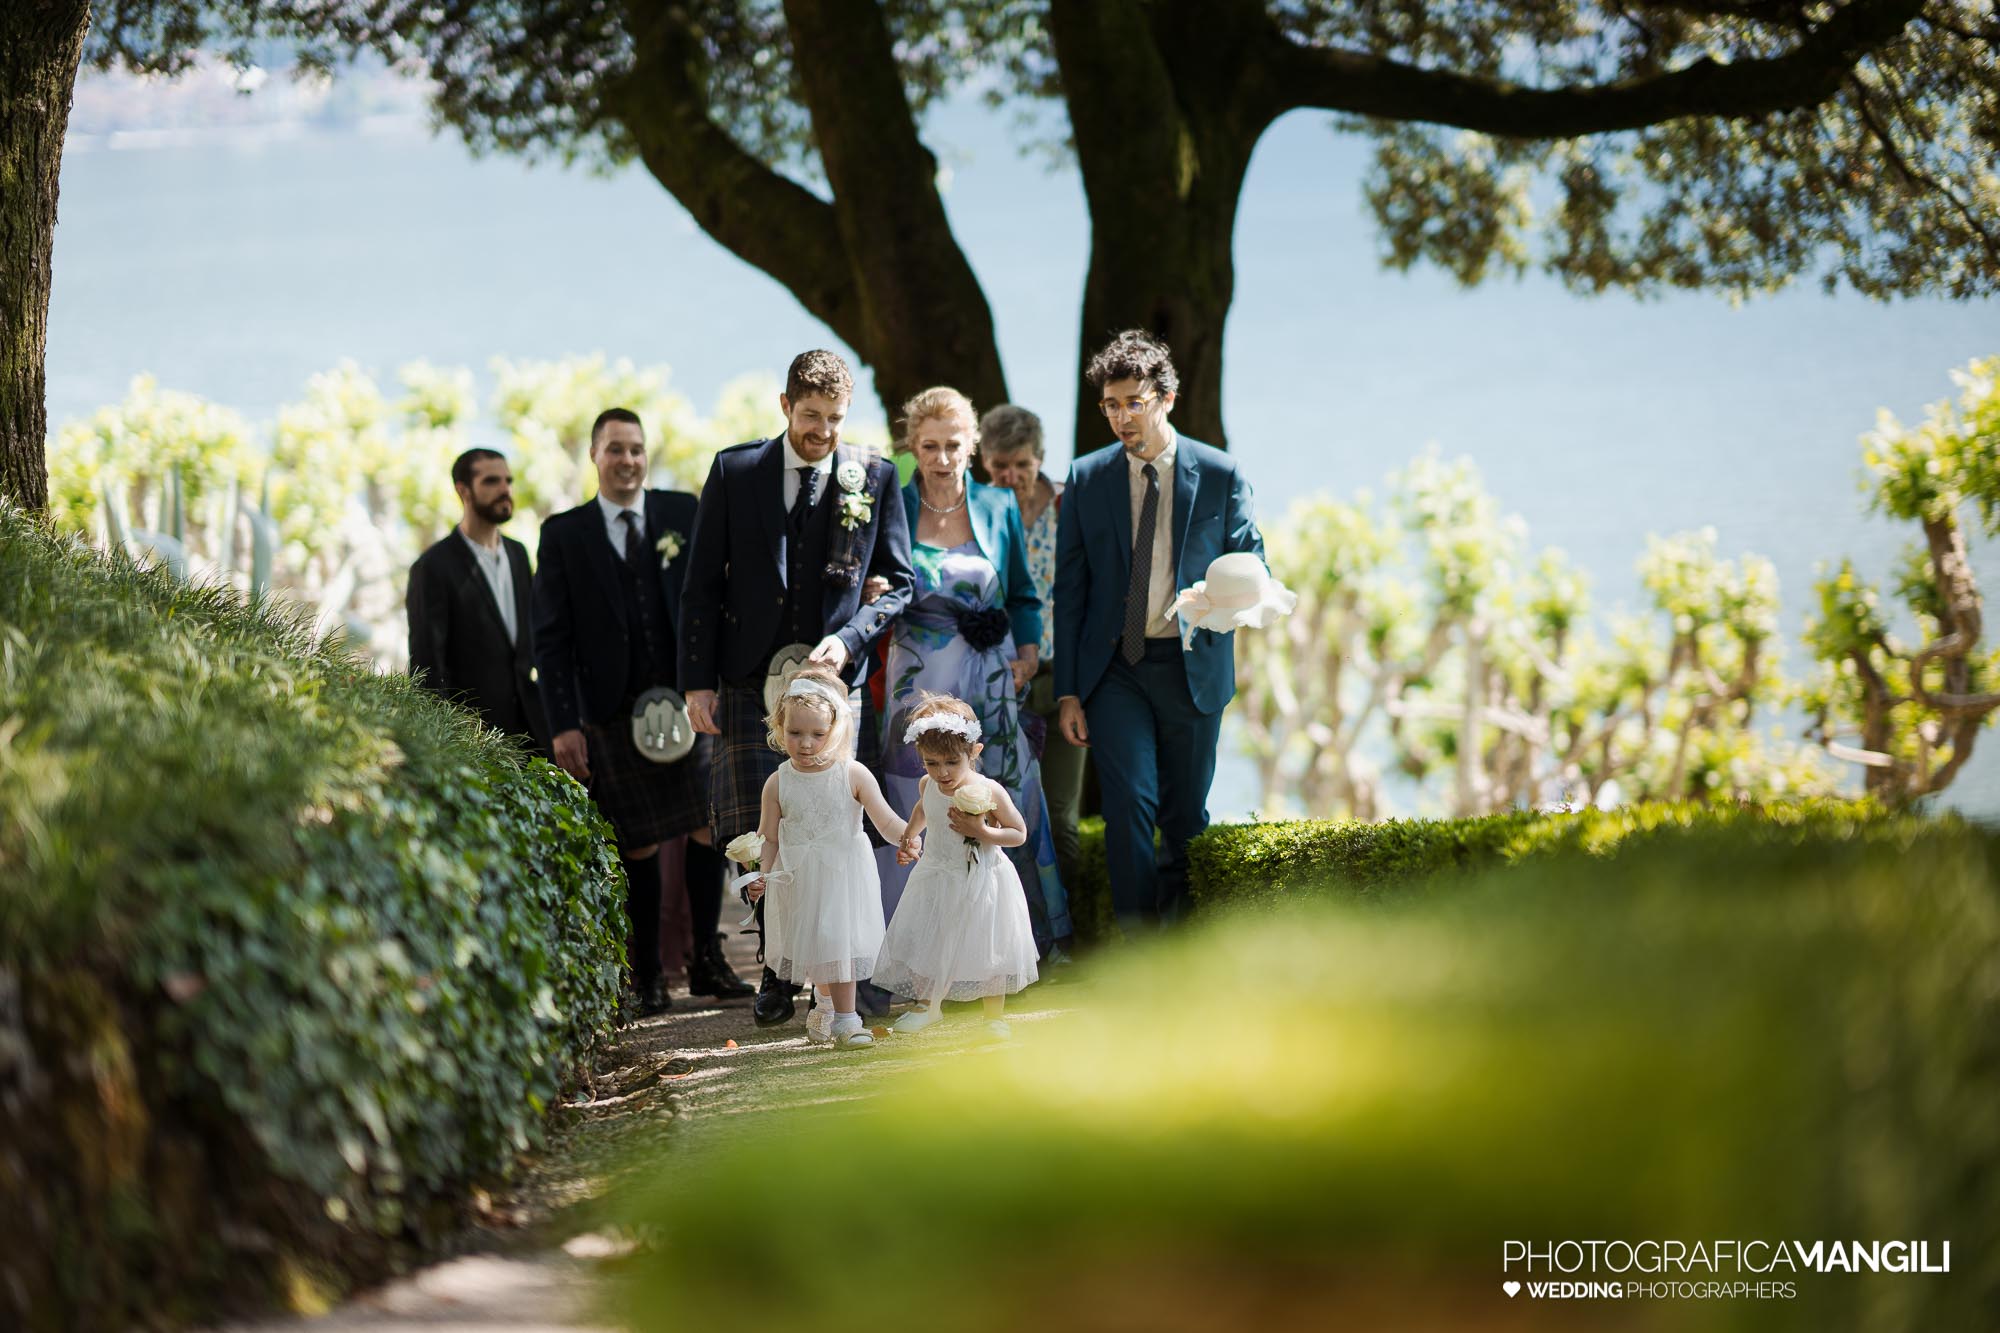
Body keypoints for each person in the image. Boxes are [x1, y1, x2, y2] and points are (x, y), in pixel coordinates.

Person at [679, 349, 915, 1027]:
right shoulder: (735, 469)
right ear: (785, 406)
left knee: (830, 826)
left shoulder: (873, 472)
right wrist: (697, 680)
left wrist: (850, 639)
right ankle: (776, 968)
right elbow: (700, 583)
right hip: (747, 673)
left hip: (831, 683)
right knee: (761, 825)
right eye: (811, 416)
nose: (823, 431)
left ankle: (829, 984)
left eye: (836, 418)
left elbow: (898, 582)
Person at [534, 408, 750, 1018]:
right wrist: (563, 722)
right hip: (612, 712)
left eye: (636, 449)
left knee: (709, 829)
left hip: (691, 701)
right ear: (594, 456)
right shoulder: (564, 533)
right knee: (640, 844)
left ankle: (708, 958)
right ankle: (648, 973)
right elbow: (550, 638)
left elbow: (717, 596)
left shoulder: (683, 511)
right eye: (615, 449)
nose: (627, 460)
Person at [1053, 331, 1266, 933]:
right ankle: (1139, 947)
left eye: (1134, 402)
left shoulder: (1221, 474)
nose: (1122, 416)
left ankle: (1181, 948)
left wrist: (1227, 597)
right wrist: (1069, 689)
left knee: (1184, 814)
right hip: (1115, 670)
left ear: (1166, 397)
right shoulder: (1088, 477)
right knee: (1127, 803)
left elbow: (1254, 562)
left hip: (1192, 667)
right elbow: (1070, 589)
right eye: (1111, 405)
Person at [875, 386, 1072, 958]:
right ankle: (916, 955)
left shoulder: (997, 505)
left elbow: (1025, 595)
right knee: (915, 792)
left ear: (972, 446)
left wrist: (1029, 653)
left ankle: (1009, 949)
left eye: (953, 445)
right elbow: (876, 580)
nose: (941, 458)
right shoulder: (896, 505)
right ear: (914, 446)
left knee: (1006, 794)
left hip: (990, 679)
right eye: (929, 446)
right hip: (917, 678)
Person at [742, 666, 908, 1050]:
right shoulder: (778, 781)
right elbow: (767, 837)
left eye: (817, 734)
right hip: (799, 876)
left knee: (839, 944)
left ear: (834, 730)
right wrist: (760, 874)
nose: (805, 743)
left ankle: (847, 1021)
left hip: (843, 875)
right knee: (817, 948)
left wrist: (909, 838)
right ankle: (826, 1005)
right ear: (779, 726)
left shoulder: (853, 773)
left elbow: (884, 821)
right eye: (795, 733)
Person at [874, 694, 1038, 1040]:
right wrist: (909, 836)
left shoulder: (988, 789)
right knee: (928, 939)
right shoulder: (928, 784)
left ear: (974, 753)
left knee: (988, 945)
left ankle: (993, 1016)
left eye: (951, 762)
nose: (942, 772)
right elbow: (923, 809)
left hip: (980, 877)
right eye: (931, 763)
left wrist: (982, 831)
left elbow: (1018, 833)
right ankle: (926, 1006)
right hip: (936, 874)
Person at [977, 404, 1086, 895]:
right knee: (997, 808)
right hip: (996, 682)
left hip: (1064, 680)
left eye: (1023, 464)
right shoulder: (973, 510)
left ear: (1040, 458)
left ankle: (1073, 940)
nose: (1012, 476)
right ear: (983, 460)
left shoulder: (1072, 506)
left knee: (1061, 814)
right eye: (1001, 466)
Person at [406, 448, 550, 755]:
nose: (505, 490)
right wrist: (447, 745)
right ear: (463, 491)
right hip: (475, 741)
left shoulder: (519, 554)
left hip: (535, 733)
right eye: (491, 481)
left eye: (508, 481)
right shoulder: (432, 567)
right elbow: (427, 667)